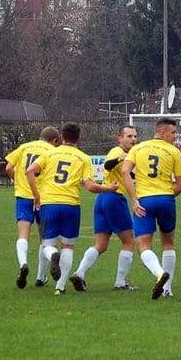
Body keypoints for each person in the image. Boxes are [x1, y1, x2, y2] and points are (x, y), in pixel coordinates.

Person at [25, 123, 117, 295]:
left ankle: (53, 254)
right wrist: (108, 188)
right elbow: (89, 186)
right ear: (79, 138)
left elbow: (29, 171)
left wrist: (36, 196)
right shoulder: (83, 158)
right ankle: (60, 286)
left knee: (47, 244)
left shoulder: (49, 153)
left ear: (62, 137)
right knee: (68, 246)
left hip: (49, 203)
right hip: (71, 205)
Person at [69, 125, 139, 292]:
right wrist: (120, 159)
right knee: (129, 242)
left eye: (135, 136)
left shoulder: (130, 156)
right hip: (114, 198)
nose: (133, 139)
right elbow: (107, 165)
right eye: (129, 136)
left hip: (102, 199)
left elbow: (129, 175)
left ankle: (79, 273)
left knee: (101, 244)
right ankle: (120, 282)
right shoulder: (117, 151)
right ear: (119, 138)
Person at [122, 118, 181, 300]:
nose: (175, 136)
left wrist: (134, 199)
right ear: (163, 133)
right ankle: (168, 289)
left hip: (144, 201)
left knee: (143, 245)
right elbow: (180, 185)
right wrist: (166, 197)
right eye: (173, 133)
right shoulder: (174, 152)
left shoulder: (137, 149)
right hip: (166, 198)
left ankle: (159, 275)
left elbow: (125, 172)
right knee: (168, 243)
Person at [5, 126, 60, 289]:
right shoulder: (52, 151)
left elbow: (8, 167)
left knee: (23, 235)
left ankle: (23, 264)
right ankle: (41, 276)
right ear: (55, 140)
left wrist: (17, 180)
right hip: (43, 198)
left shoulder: (24, 147)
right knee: (45, 239)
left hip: (23, 196)